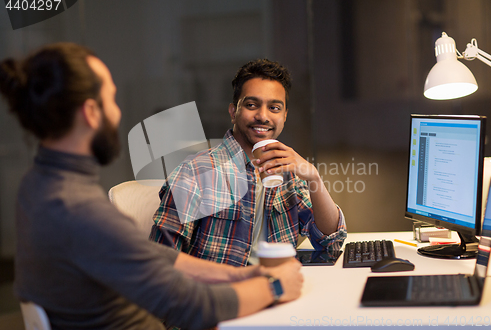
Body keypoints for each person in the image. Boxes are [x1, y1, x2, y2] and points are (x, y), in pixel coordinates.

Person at [0, 43, 303, 330]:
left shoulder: (39, 186)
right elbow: (192, 306)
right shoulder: (80, 211)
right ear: (91, 113)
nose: (118, 114)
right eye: (111, 101)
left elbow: (146, 253)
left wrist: (240, 273)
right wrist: (274, 286)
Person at [150, 59, 347, 266]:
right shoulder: (195, 172)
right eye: (252, 105)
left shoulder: (285, 173)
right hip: (223, 294)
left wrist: (313, 175)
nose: (263, 116)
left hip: (279, 289)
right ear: (233, 112)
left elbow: (330, 242)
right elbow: (160, 264)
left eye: (274, 107)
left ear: (285, 116)